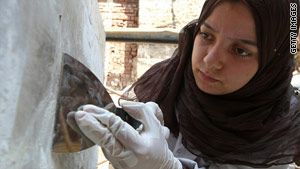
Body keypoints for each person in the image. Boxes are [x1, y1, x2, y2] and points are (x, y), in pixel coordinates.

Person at [67, 0, 300, 168]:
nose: (210, 60)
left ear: (272, 65)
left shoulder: (280, 131)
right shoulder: (165, 84)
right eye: (207, 35)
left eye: (240, 51)